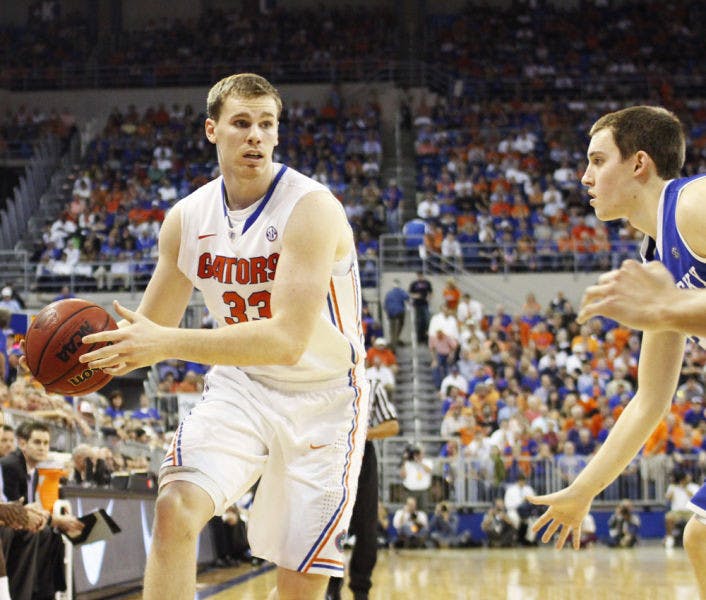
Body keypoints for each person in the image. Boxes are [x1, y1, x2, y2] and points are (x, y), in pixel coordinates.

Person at [70, 73, 369, 600]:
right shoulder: (187, 219)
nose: (255, 135)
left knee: (298, 588)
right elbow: (144, 335)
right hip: (243, 386)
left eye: (266, 125)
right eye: (241, 123)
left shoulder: (311, 208)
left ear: (277, 135)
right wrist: (74, 361)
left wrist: (164, 343)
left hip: (324, 397)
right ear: (213, 130)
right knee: (174, 508)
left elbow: (286, 341)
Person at [528, 106, 706, 594]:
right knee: (703, 537)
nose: (584, 176)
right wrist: (583, 491)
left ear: (639, 164)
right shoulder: (655, 259)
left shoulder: (695, 203)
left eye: (597, 160)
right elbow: (650, 398)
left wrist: (669, 307)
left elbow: (673, 309)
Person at [326, 379, 399, 600]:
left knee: (367, 528)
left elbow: (392, 425)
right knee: (331, 526)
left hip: (363, 456)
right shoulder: (327, 379)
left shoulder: (374, 384)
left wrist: (363, 434)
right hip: (330, 455)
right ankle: (331, 587)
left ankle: (361, 589)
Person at [383, 279, 409, 350]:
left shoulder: (389, 293)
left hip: (390, 312)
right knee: (400, 324)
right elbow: (407, 297)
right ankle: (395, 340)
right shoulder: (400, 291)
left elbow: (385, 305)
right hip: (400, 311)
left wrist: (388, 312)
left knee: (392, 329)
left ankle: (393, 342)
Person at [408, 271, 432, 343]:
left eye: (421, 276)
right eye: (419, 276)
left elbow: (430, 292)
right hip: (417, 304)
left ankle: (426, 338)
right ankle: (419, 338)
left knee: (427, 320)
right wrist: (415, 296)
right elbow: (410, 293)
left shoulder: (427, 283)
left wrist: (429, 297)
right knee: (418, 321)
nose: (420, 277)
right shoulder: (414, 284)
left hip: (425, 304)